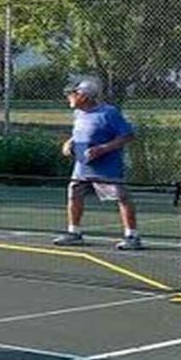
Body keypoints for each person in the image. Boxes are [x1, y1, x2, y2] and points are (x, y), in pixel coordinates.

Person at [53, 78, 143, 250]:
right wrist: (69, 143)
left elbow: (127, 135)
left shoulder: (109, 113)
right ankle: (74, 233)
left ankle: (132, 236)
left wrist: (103, 149)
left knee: (122, 197)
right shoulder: (78, 113)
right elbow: (80, 133)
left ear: (84, 96)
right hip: (82, 166)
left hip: (107, 167)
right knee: (74, 194)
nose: (69, 97)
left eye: (73, 94)